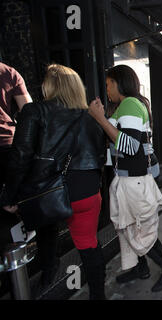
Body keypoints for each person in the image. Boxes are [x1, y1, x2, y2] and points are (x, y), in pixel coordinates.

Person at [1, 64, 106, 299]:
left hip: (48, 191)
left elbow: (21, 157)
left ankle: (48, 273)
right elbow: (99, 154)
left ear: (49, 85)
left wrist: (10, 195)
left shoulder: (34, 111)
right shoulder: (90, 117)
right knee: (89, 244)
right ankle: (98, 296)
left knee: (46, 234)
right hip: (87, 191)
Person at [88, 64, 162, 292]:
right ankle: (142, 268)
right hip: (129, 179)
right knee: (130, 227)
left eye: (109, 83)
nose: (106, 88)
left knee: (140, 230)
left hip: (134, 181)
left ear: (120, 83)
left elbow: (129, 146)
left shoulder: (129, 104)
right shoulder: (126, 106)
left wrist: (100, 119)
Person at [0, 62, 33, 246]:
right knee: (14, 204)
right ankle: (18, 252)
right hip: (8, 147)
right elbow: (30, 112)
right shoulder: (9, 73)